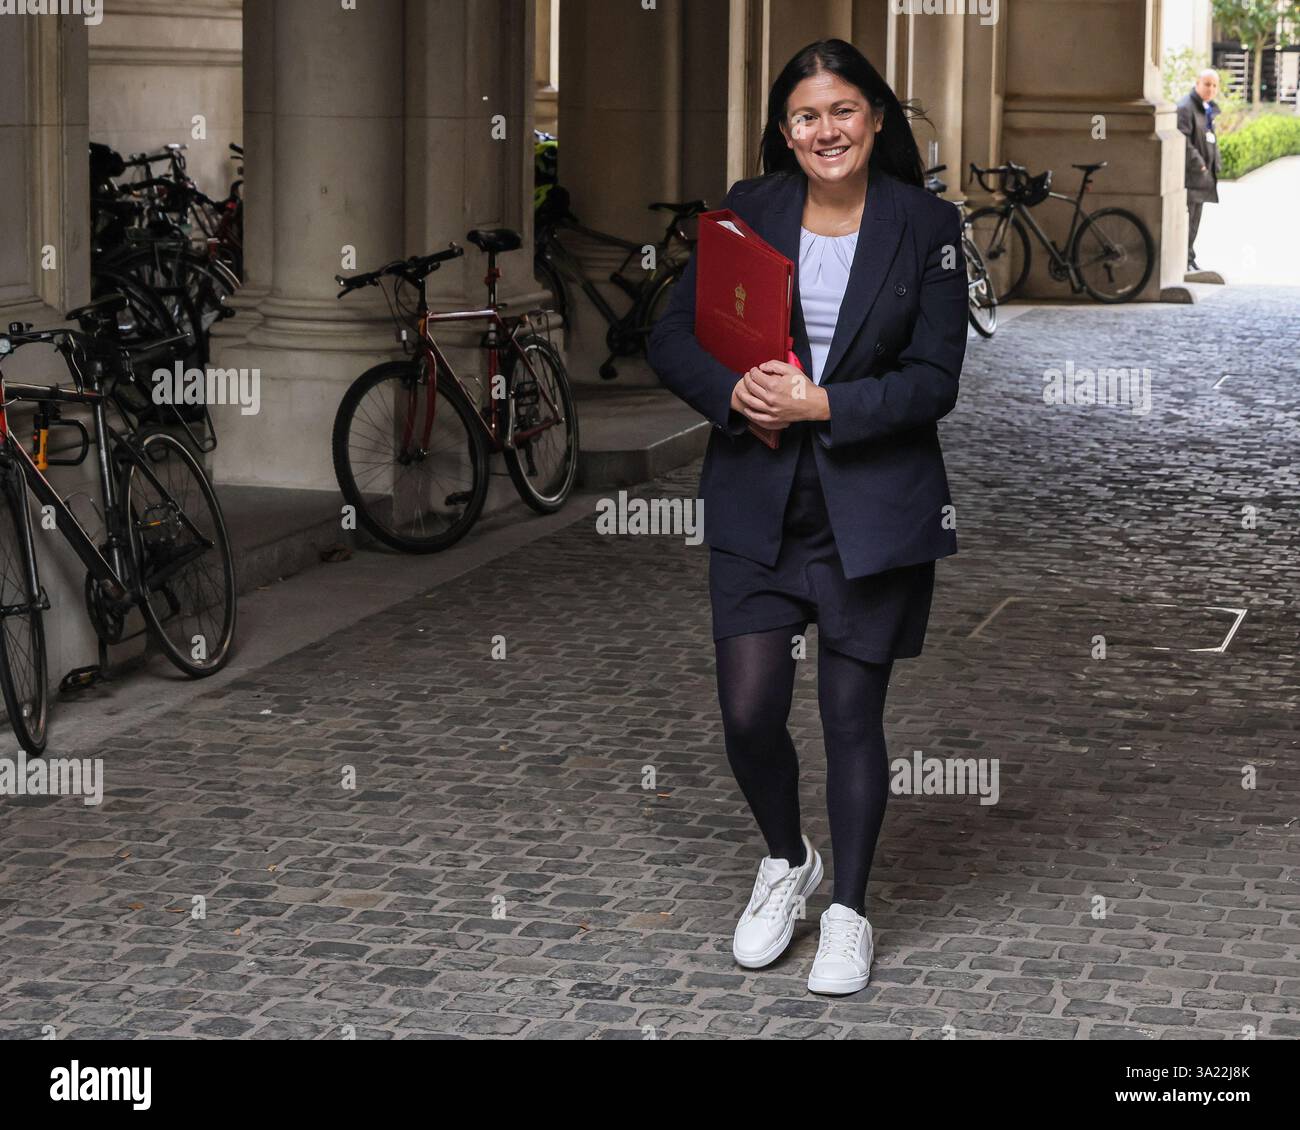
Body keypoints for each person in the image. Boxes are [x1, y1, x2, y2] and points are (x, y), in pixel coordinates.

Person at [647, 38, 966, 995]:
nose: (825, 130)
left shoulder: (927, 224)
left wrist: (826, 405)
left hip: (872, 508)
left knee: (848, 715)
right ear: (784, 131)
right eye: (804, 115)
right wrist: (734, 392)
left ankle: (850, 912)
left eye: (842, 111)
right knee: (748, 713)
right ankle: (788, 861)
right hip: (760, 498)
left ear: (874, 117)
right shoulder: (750, 211)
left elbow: (935, 381)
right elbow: (670, 334)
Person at [1177, 69, 1221, 271]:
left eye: (1214, 85)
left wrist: (1215, 164)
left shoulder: (1207, 109)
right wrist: (1199, 163)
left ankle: (1189, 256)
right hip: (1192, 175)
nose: (1210, 88)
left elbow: (1210, 138)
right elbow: (1183, 139)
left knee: (1195, 220)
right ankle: (1183, 259)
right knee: (1189, 219)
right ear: (1197, 83)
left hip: (1203, 176)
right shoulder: (1186, 107)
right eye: (1207, 84)